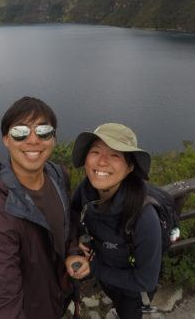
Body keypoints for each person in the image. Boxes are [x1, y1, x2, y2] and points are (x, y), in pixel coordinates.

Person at [0, 96, 71, 319]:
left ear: (53, 138)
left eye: (44, 131)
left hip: (57, 296)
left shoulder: (58, 175)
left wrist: (73, 251)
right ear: (6, 139)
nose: (33, 140)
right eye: (20, 132)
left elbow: (66, 223)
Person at [65, 123, 162, 318]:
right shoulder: (87, 190)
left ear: (129, 168)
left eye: (115, 155)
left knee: (128, 312)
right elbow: (74, 214)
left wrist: (94, 268)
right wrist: (78, 241)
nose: (102, 162)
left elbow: (146, 281)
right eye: (95, 152)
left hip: (133, 291)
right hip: (108, 277)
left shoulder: (144, 217)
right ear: (86, 159)